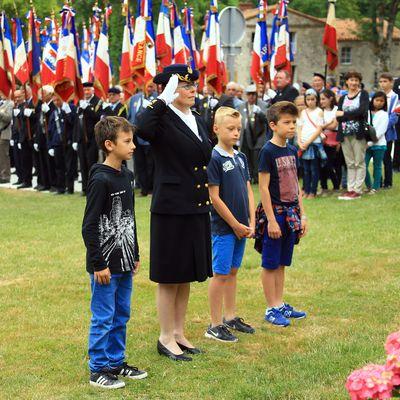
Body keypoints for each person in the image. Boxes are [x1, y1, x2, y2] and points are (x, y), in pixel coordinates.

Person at [136, 64, 212, 361]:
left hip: (194, 203)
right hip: (171, 206)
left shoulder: (194, 117)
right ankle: (165, 337)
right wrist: (161, 100)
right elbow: (141, 129)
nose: (193, 90)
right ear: (170, 89)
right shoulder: (162, 117)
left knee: (186, 273)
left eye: (194, 85)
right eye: (185, 86)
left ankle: (179, 333)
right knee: (169, 275)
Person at [82, 116, 147, 389]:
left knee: (121, 313)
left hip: (124, 260)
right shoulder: (100, 180)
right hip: (105, 266)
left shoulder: (128, 176)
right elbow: (89, 226)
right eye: (127, 141)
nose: (133, 146)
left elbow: (129, 219)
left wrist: (135, 253)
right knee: (103, 316)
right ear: (109, 145)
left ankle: (116, 361)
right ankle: (97, 368)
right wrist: (99, 264)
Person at [205, 107, 255, 343]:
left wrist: (251, 221)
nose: (236, 133)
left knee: (233, 272)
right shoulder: (214, 158)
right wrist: (234, 224)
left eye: (238, 129)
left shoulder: (241, 157)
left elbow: (247, 189)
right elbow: (214, 197)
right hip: (224, 228)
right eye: (230, 129)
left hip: (242, 227)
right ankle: (214, 324)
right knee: (221, 274)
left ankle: (230, 316)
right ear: (216, 129)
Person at [257, 101, 307, 327]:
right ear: (273, 125)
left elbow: (296, 184)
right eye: (287, 123)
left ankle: (279, 304)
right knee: (270, 263)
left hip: (291, 213)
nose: (292, 127)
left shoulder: (291, 150)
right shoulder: (267, 151)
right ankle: (271, 308)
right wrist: (270, 220)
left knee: (282, 263)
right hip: (275, 214)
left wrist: (302, 215)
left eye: (294, 122)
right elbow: (264, 187)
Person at [336, 71, 369, 200]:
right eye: (351, 80)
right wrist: (347, 115)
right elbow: (337, 117)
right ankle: (350, 189)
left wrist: (344, 114)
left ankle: (358, 189)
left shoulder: (363, 94)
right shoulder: (343, 98)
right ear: (347, 82)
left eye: (356, 80)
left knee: (359, 162)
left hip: (358, 132)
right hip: (344, 133)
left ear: (359, 82)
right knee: (349, 162)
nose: (354, 82)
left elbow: (362, 111)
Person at [73, 82, 103, 196]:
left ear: (93, 90)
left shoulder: (98, 102)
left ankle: (93, 188)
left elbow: (98, 118)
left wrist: (88, 109)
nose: (86, 92)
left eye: (88, 90)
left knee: (91, 164)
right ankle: (85, 188)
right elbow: (77, 121)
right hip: (81, 139)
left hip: (92, 139)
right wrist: (75, 139)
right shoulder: (80, 102)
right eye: (84, 90)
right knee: (83, 164)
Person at [128, 83, 157, 197]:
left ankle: (151, 189)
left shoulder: (157, 98)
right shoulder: (135, 98)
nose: (148, 89)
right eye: (146, 86)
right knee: (140, 163)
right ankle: (143, 189)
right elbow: (130, 116)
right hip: (136, 136)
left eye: (151, 86)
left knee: (151, 164)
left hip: (150, 137)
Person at [238, 84, 268, 183]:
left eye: (253, 94)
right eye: (249, 94)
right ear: (246, 95)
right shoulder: (242, 106)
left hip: (259, 135)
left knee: (256, 157)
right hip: (246, 135)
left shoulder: (263, 105)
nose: (251, 97)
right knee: (246, 156)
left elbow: (267, 120)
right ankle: (249, 176)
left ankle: (257, 177)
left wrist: (260, 113)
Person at [298, 89, 325, 198]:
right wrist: (299, 141)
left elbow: (319, 129)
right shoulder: (303, 112)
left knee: (314, 169)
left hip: (314, 144)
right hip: (303, 144)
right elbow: (299, 127)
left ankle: (313, 191)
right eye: (308, 99)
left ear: (316, 100)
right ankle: (306, 189)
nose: (310, 102)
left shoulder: (319, 111)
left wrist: (308, 141)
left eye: (312, 99)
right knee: (305, 170)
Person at [365, 92, 389, 194]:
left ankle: (375, 187)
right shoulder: (367, 112)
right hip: (366, 144)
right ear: (372, 100)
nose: (379, 103)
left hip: (379, 145)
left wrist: (370, 143)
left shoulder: (384, 114)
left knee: (377, 166)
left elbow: (380, 131)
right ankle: (369, 186)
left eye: (382, 101)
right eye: (377, 100)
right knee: (363, 165)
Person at [378, 73, 399, 188]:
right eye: (380, 82)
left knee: (386, 158)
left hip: (388, 132)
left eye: (385, 81)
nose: (382, 84)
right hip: (376, 133)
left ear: (391, 82)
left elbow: (394, 115)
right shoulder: (377, 95)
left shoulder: (395, 97)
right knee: (377, 158)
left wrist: (383, 127)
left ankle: (388, 182)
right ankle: (378, 181)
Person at [320, 89, 341, 192]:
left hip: (333, 140)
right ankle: (324, 187)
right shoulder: (320, 111)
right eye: (320, 99)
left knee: (330, 164)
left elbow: (334, 125)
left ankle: (336, 185)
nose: (321, 101)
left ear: (331, 98)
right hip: (322, 139)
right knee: (322, 164)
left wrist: (324, 126)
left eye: (324, 99)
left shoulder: (336, 110)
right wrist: (327, 124)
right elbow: (319, 126)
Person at [0, 94, 14, 184]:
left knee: (3, 155)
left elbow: (8, 118)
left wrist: (0, 112)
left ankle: (5, 176)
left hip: (4, 133)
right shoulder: (1, 103)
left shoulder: (10, 104)